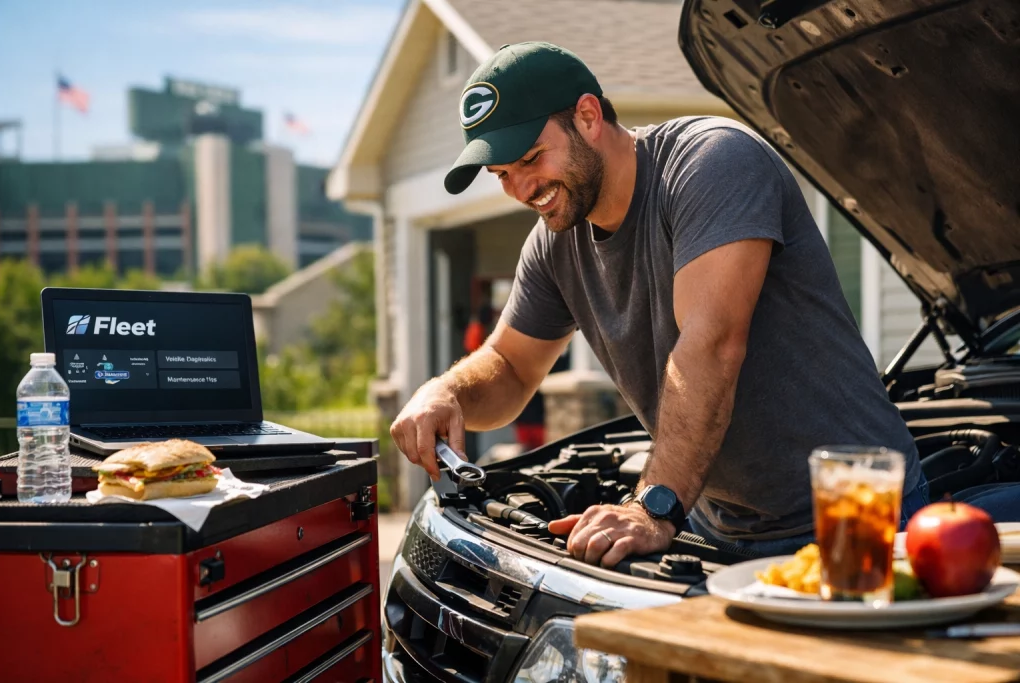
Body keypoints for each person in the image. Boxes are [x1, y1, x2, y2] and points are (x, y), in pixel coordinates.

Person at [390, 41, 930, 566]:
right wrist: (445, 392)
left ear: (587, 116)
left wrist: (653, 506)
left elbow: (710, 345)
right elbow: (510, 368)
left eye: (531, 158)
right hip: (715, 527)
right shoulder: (553, 244)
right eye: (502, 174)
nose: (522, 188)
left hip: (856, 517)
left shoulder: (711, 162)